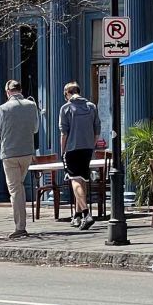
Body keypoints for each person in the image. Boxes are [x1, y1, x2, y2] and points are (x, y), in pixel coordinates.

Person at [0, 80, 39, 238]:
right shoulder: (31, 105)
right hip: (27, 153)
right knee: (19, 187)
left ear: (8, 91)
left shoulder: (3, 108)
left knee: (15, 190)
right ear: (20, 90)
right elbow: (35, 128)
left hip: (9, 154)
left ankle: (20, 227)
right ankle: (21, 224)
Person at [58, 82, 100, 231]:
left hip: (72, 148)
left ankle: (87, 213)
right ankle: (78, 215)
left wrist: (62, 151)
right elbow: (97, 131)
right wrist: (91, 145)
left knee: (74, 180)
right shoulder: (91, 107)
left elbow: (64, 133)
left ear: (67, 93)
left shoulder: (66, 108)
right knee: (82, 180)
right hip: (87, 148)